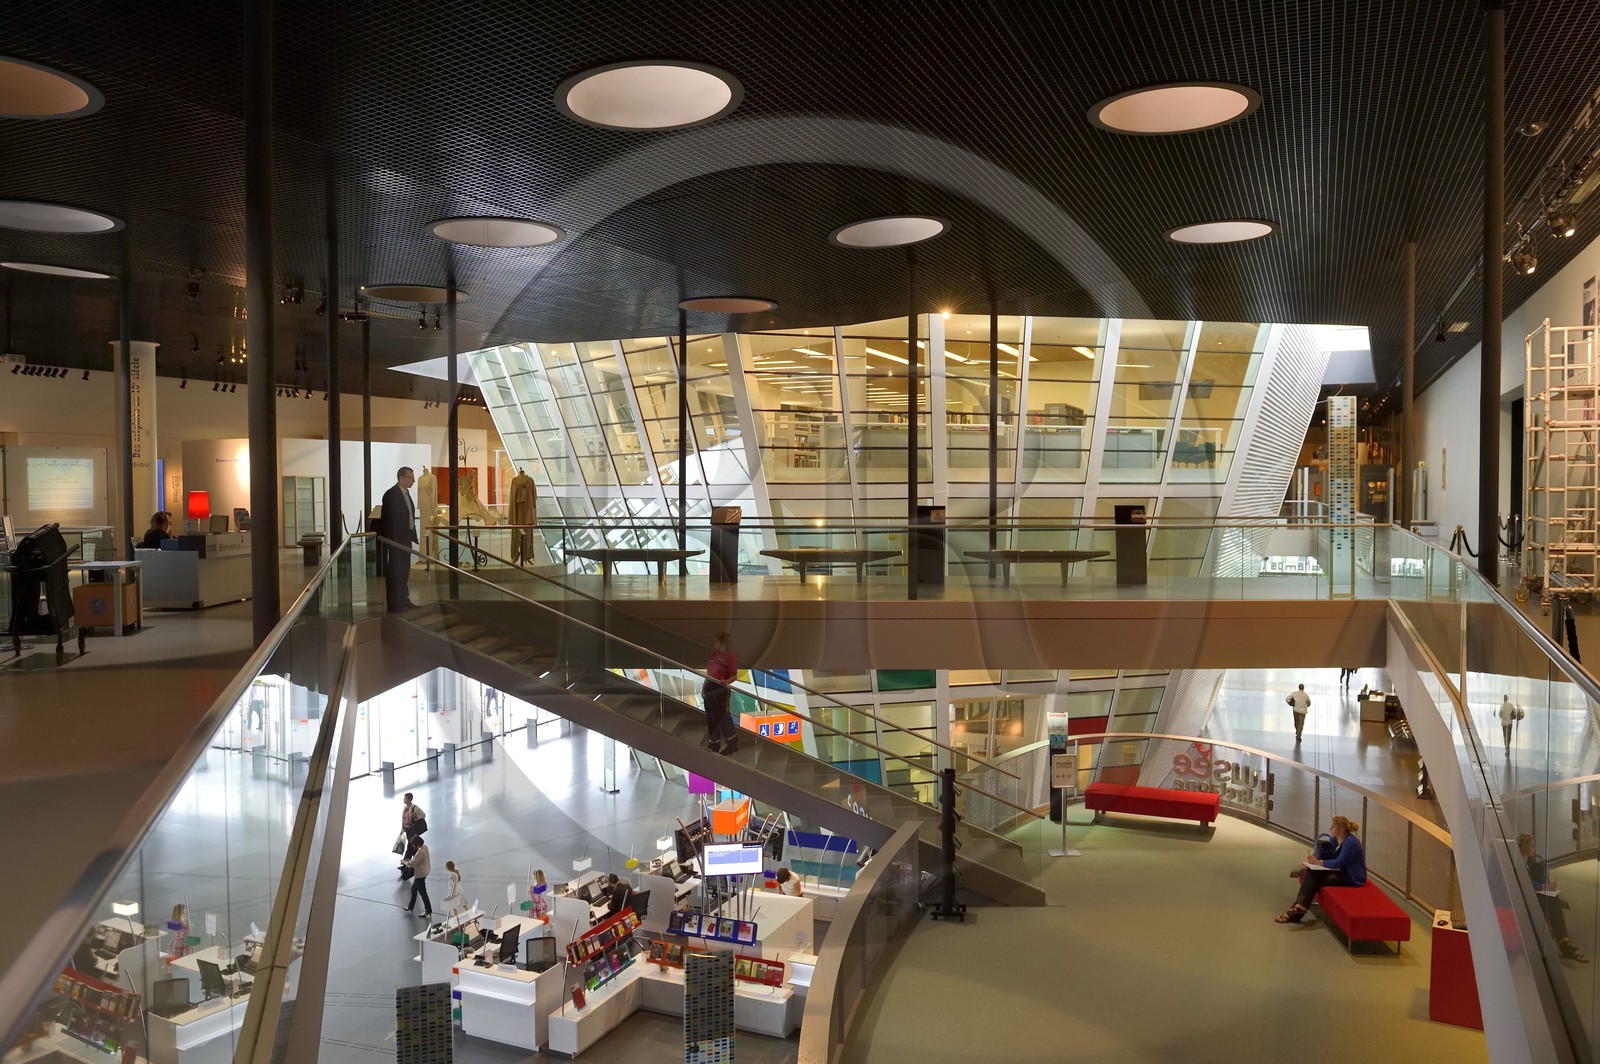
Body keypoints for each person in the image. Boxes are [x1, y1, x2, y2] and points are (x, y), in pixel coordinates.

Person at [1276, 815, 1365, 923]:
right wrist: (1313, 860)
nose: (1330, 828)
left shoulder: (1350, 842)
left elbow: (1339, 862)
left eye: (1333, 826)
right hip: (1341, 871)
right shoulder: (1337, 839)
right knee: (1311, 872)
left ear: (1341, 829)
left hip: (1352, 878)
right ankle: (1299, 908)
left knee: (1312, 879)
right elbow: (1329, 856)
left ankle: (1299, 908)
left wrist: (1319, 863)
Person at [1518, 833, 1589, 961]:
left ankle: (1564, 941)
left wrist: (1546, 886)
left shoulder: (1528, 861)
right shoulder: (1519, 862)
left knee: (1554, 900)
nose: (1534, 848)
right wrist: (1545, 887)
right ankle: (1564, 941)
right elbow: (1525, 881)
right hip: (1524, 899)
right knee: (1554, 902)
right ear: (1524, 847)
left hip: (1532, 894)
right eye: (1532, 845)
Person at [378, 466, 419, 612]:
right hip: (396, 540)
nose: (413, 480)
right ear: (401, 478)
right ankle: (394, 604)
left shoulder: (406, 493)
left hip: (405, 538)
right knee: (395, 571)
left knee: (404, 571)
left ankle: (403, 599)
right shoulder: (391, 494)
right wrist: (393, 539)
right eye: (411, 477)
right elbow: (388, 519)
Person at [703, 631, 739, 754]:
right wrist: (704, 687)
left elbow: (734, 675)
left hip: (720, 688)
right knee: (711, 717)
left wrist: (726, 681)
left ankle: (731, 743)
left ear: (722, 642)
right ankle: (714, 743)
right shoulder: (714, 654)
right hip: (710, 687)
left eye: (717, 641)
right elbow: (709, 673)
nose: (714, 643)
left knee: (722, 716)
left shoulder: (730, 656)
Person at [403, 836, 433, 919]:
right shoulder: (425, 847)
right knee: (413, 889)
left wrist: (405, 862)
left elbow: (412, 864)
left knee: (423, 893)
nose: (413, 846)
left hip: (420, 874)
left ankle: (428, 910)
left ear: (416, 844)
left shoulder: (421, 852)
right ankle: (411, 907)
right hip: (425, 871)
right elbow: (416, 860)